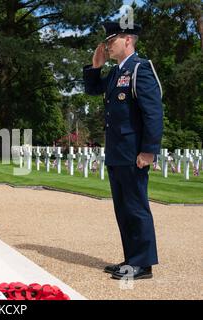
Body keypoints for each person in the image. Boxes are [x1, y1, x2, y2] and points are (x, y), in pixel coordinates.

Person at [83, 21, 163, 280]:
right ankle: (131, 259)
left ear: (128, 40)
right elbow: (93, 89)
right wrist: (95, 67)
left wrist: (149, 151)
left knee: (136, 206)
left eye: (111, 40)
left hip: (133, 152)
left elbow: (153, 113)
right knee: (123, 208)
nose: (107, 45)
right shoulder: (117, 73)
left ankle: (143, 263)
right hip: (117, 152)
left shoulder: (140, 69)